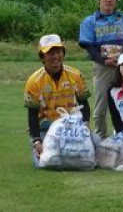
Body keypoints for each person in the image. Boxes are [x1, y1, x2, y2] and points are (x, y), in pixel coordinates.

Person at [79, 0, 123, 138]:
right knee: (101, 104)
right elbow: (88, 46)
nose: (109, 0)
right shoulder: (90, 21)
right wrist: (103, 60)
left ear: (116, 0)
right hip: (102, 66)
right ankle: (101, 138)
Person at [24, 34, 91, 167]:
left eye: (58, 52)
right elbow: (32, 114)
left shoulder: (75, 75)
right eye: (50, 53)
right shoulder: (34, 81)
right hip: (46, 128)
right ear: (42, 57)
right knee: (45, 162)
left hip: (71, 127)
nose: (55, 56)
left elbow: (84, 105)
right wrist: (37, 141)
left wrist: (85, 126)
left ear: (63, 53)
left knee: (94, 145)